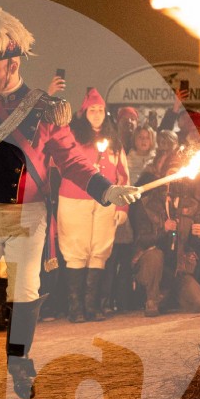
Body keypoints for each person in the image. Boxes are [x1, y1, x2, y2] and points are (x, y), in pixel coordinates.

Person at [0, 1, 140, 399]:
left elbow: (71, 161)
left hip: (28, 215)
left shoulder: (45, 108)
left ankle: (19, 362)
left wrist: (106, 189)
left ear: (13, 62)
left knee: (25, 292)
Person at [58, 88, 129, 322]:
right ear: (84, 113)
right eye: (92, 110)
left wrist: (122, 207)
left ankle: (91, 305)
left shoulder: (114, 142)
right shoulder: (72, 136)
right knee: (75, 250)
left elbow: (123, 176)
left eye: (100, 110)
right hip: (74, 199)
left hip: (105, 202)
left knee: (99, 251)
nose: (97, 114)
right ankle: (75, 307)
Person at [130, 145, 200, 317]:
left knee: (198, 303)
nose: (175, 180)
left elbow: (195, 246)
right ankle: (152, 299)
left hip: (177, 268)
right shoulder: (148, 203)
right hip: (152, 266)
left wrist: (198, 235)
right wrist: (163, 230)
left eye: (178, 175)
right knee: (155, 255)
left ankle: (168, 298)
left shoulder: (191, 204)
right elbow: (141, 240)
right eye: (171, 174)